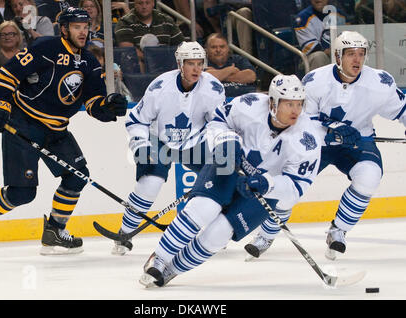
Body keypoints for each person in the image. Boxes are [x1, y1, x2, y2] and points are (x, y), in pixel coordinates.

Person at [0, 7, 127, 255]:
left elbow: (93, 103)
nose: (83, 32)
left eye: (86, 26)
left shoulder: (90, 62)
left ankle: (54, 231)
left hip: (57, 129)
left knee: (77, 176)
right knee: (22, 192)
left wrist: (109, 106)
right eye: (77, 27)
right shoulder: (46, 48)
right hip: (23, 122)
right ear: (64, 29)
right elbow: (8, 74)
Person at [138, 74, 323, 287]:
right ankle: (159, 259)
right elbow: (218, 120)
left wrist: (267, 184)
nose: (295, 111)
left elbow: (297, 186)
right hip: (230, 163)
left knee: (220, 232)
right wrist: (226, 142)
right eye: (289, 104)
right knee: (203, 207)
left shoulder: (308, 139)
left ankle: (172, 270)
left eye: (299, 104)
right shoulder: (249, 105)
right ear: (272, 102)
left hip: (263, 188)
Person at [245, 31, 406, 261]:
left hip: (356, 142)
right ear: (338, 57)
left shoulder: (380, 82)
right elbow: (301, 119)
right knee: (288, 188)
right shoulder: (315, 81)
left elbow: (402, 109)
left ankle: (338, 231)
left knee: (369, 176)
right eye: (351, 54)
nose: (357, 60)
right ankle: (266, 235)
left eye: (361, 54)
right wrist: (332, 128)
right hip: (314, 144)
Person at [112, 41, 226, 256]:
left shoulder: (213, 88)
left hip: (195, 142)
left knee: (219, 180)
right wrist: (141, 146)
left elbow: (218, 124)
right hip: (160, 140)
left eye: (199, 63)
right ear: (179, 64)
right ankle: (124, 234)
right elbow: (137, 120)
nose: (196, 69)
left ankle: (213, 234)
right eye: (190, 63)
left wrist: (219, 148)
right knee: (151, 181)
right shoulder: (160, 87)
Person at [114, 0, 185, 73]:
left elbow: (181, 45)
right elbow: (127, 49)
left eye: (147, 3)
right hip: (138, 71)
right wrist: (152, 59)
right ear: (134, 4)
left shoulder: (166, 20)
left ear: (153, 3)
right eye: (140, 3)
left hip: (166, 68)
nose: (144, 6)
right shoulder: (125, 22)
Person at [294, 0, 346, 71]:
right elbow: (312, 48)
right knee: (319, 56)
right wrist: (332, 51)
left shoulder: (340, 15)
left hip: (337, 55)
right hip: (311, 58)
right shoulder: (302, 18)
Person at [204, 33, 256, 97]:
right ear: (206, 49)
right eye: (213, 47)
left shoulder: (238, 59)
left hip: (245, 100)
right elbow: (203, 78)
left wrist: (219, 76)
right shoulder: (202, 62)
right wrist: (230, 70)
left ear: (228, 48)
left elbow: (251, 76)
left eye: (222, 47)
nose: (218, 50)